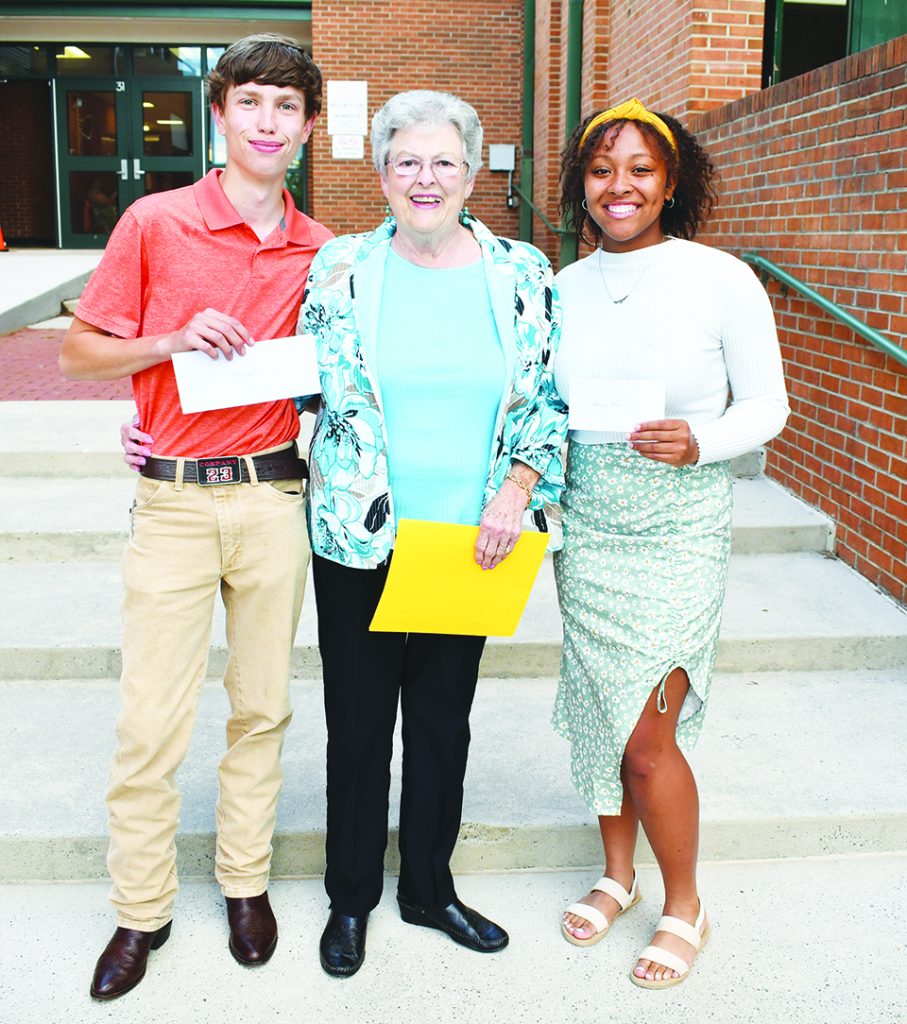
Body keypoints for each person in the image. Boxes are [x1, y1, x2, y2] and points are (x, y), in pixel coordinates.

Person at [58, 34, 332, 1000]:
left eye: (285, 108)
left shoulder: (324, 252)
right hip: (173, 502)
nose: (267, 122)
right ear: (219, 114)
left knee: (262, 706)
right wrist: (169, 344)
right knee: (151, 720)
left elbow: (335, 384)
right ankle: (141, 909)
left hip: (272, 500)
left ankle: (244, 884)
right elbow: (79, 356)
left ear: (305, 128)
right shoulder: (155, 221)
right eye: (250, 102)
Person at [301, 90, 567, 977]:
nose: (425, 177)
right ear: (379, 174)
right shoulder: (339, 267)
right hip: (359, 537)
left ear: (471, 172)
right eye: (406, 161)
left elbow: (545, 401)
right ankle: (350, 900)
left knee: (443, 725)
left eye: (443, 161)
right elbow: (293, 384)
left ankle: (428, 888)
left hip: (471, 538)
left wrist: (516, 491)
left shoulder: (521, 270)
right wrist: (161, 425)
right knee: (359, 723)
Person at [552, 98, 789, 988]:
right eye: (602, 169)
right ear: (581, 184)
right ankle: (617, 876)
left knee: (649, 738)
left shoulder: (721, 278)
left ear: (670, 181)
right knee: (599, 715)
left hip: (678, 523)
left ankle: (683, 902)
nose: (620, 187)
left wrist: (702, 440)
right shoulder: (560, 286)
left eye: (639, 170)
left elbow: (768, 406)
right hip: (590, 523)